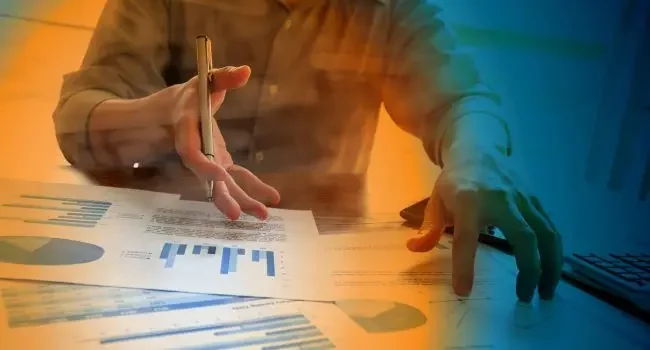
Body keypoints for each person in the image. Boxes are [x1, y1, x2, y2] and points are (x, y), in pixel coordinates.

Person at [52, 0, 562, 303]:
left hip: (323, 280)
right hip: (151, 266)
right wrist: (158, 116)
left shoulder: (387, 11)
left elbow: (466, 102)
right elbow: (78, 114)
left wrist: (477, 159)